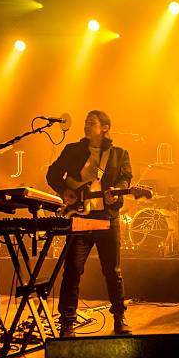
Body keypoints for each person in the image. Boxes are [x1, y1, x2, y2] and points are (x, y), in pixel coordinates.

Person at [46, 110, 132, 337]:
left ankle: (119, 317)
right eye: (85, 122)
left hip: (106, 219)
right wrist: (65, 190)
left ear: (105, 127)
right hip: (80, 218)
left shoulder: (119, 154)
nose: (85, 125)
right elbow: (52, 174)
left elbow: (125, 179)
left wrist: (116, 193)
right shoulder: (73, 150)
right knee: (72, 270)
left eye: (91, 122)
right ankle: (67, 322)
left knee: (113, 271)